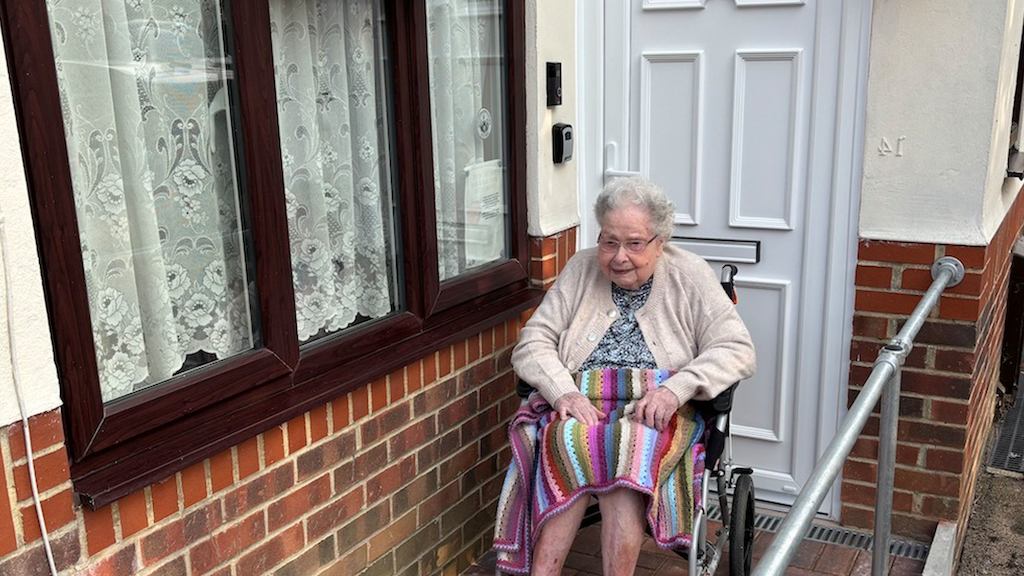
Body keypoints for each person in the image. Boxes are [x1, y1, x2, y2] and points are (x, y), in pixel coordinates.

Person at [493, 177, 756, 575]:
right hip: (583, 399)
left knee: (629, 449)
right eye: (608, 241)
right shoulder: (580, 268)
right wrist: (563, 392)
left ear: (659, 240)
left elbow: (737, 348)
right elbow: (534, 341)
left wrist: (675, 390)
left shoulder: (691, 276)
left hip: (656, 407)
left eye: (634, 243)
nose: (618, 256)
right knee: (564, 436)